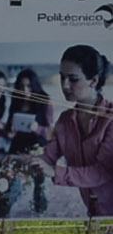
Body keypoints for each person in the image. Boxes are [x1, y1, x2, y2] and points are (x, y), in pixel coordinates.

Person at [39, 44, 113, 216]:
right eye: (62, 77)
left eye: (73, 79)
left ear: (93, 81)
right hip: (94, 212)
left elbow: (103, 172)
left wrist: (55, 172)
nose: (64, 85)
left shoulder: (110, 119)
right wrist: (23, 161)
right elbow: (48, 156)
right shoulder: (65, 119)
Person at [5, 68, 52, 155]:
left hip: (37, 149)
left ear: (34, 86)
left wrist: (37, 129)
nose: (25, 90)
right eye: (21, 86)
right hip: (17, 147)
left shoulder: (45, 102)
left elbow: (50, 133)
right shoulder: (15, 101)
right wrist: (10, 132)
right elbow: (9, 130)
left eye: (29, 86)